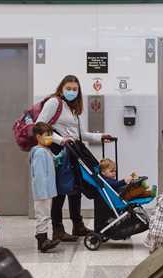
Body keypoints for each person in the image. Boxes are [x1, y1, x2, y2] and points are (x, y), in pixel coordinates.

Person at [37, 75, 113, 242]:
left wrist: (100, 137)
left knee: (75, 189)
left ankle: (77, 225)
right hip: (60, 151)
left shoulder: (72, 109)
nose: (71, 91)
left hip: (74, 151)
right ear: (61, 88)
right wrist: (60, 140)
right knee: (61, 191)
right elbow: (40, 125)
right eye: (68, 88)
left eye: (74, 89)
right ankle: (58, 229)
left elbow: (80, 135)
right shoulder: (54, 103)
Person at [29, 122, 62, 253]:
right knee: (42, 215)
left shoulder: (46, 150)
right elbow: (39, 175)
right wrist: (42, 193)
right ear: (38, 137)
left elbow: (53, 160)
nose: (49, 138)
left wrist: (61, 156)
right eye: (46, 135)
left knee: (45, 215)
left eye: (50, 135)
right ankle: (42, 241)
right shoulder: (39, 153)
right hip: (43, 192)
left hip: (47, 191)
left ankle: (43, 237)